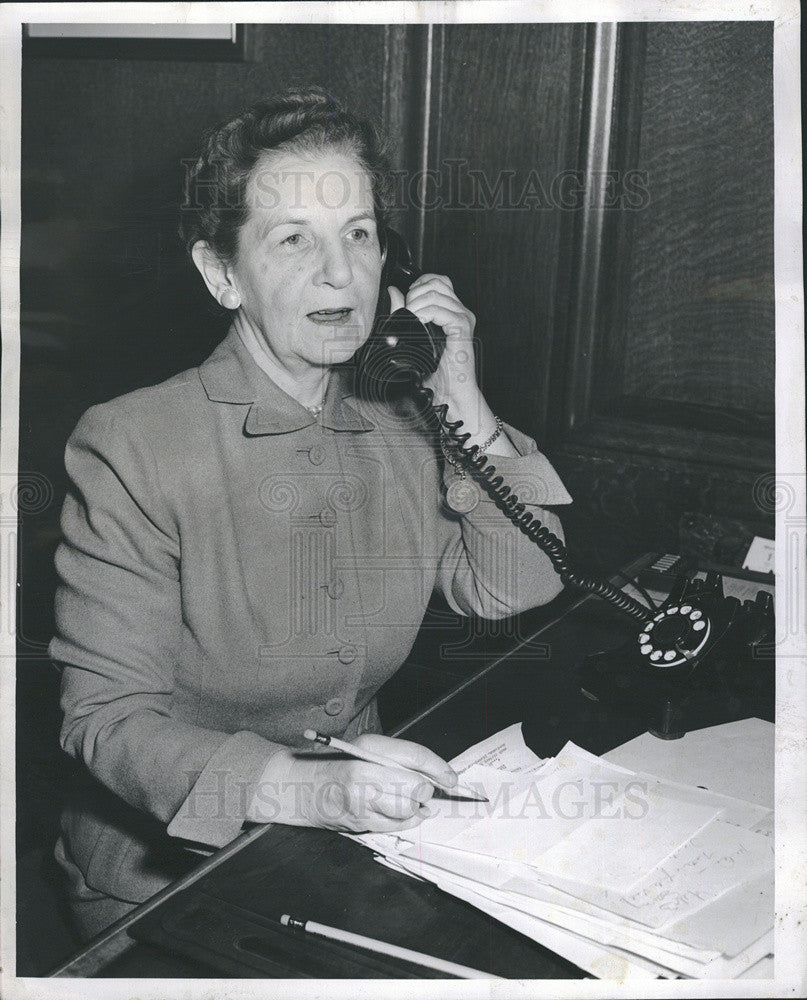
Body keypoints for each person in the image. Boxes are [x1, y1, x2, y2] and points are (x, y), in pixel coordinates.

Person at [50, 87, 572, 940]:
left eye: (359, 235)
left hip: (343, 851)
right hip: (167, 879)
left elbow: (519, 584)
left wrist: (462, 396)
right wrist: (313, 783)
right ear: (223, 274)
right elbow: (106, 723)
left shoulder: (406, 422)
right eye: (294, 241)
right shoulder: (134, 444)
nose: (340, 274)